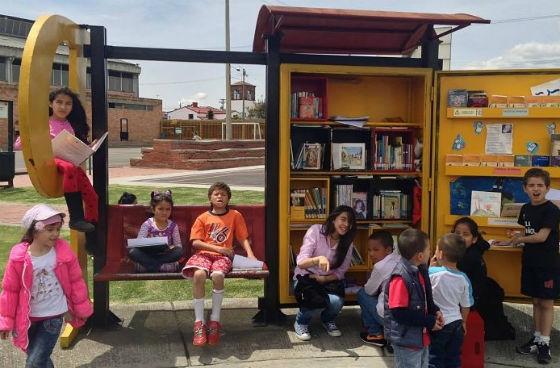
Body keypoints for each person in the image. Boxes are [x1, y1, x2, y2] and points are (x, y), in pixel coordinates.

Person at [0, 204, 93, 367]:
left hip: (53, 316)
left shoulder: (63, 253)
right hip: (28, 319)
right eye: (50, 230)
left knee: (34, 362)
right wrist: (6, 321)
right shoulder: (19, 258)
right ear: (34, 231)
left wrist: (80, 308)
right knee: (40, 360)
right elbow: (10, 291)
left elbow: (76, 282)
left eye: (57, 229)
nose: (56, 234)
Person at [14, 87, 98, 235]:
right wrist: (38, 139)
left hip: (69, 163)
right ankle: (76, 217)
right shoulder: (43, 123)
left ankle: (92, 221)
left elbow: (74, 145)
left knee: (91, 193)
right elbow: (19, 145)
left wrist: (87, 148)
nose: (63, 107)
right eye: (59, 102)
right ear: (50, 104)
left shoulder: (71, 124)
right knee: (70, 168)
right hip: (51, 162)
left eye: (68, 104)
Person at [182, 182, 257, 346]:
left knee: (217, 276)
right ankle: (199, 322)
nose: (220, 197)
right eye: (216, 194)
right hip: (204, 254)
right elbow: (195, 242)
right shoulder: (203, 218)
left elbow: (242, 237)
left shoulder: (235, 215)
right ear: (210, 198)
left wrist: (250, 255)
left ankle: (215, 321)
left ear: (228, 198)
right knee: (199, 274)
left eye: (223, 194)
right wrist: (218, 248)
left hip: (222, 258)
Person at [508, 168, 560, 364]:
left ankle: (545, 343)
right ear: (525, 188)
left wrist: (521, 238)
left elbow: (541, 236)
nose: (535, 189)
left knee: (546, 303)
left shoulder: (552, 210)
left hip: (548, 265)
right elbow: (528, 232)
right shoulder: (525, 209)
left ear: (547, 188)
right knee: (536, 301)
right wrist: (516, 239)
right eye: (531, 185)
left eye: (540, 185)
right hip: (530, 261)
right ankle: (537, 338)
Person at [292, 205, 357, 341]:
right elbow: (301, 262)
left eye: (349, 222)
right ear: (333, 219)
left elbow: (341, 272)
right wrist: (318, 259)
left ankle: (328, 320)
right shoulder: (315, 231)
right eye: (343, 219)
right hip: (306, 276)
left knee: (337, 301)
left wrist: (325, 279)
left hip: (327, 280)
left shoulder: (347, 243)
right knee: (312, 298)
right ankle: (301, 322)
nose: (346, 224)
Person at [384, 228, 443, 368]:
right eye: (429, 249)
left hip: (420, 338)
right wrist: (429, 321)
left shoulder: (420, 270)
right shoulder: (400, 278)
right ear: (420, 256)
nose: (431, 252)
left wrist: (435, 311)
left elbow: (425, 299)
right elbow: (398, 312)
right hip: (407, 341)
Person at [453, 217, 515, 341]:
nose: (460, 237)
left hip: (474, 299)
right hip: (479, 294)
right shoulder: (472, 250)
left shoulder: (469, 257)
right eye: (457, 233)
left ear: (474, 239)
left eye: (465, 234)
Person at [428, 233, 473, 368]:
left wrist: (430, 267)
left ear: (440, 254)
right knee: (453, 358)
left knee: (434, 358)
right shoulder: (464, 278)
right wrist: (464, 322)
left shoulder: (431, 273)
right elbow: (466, 305)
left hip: (438, 323)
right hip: (456, 323)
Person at [357, 230, 400, 347]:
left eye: (376, 250)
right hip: (405, 320)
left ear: (388, 250)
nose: (371, 254)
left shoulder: (380, 266)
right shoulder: (401, 259)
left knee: (362, 293)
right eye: (369, 250)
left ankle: (375, 333)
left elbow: (369, 290)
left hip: (389, 319)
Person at [129, 190, 183, 273]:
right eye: (160, 209)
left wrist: (172, 247)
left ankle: (151, 266)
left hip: (165, 255)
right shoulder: (148, 224)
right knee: (132, 251)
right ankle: (158, 265)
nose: (164, 212)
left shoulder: (173, 226)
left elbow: (178, 245)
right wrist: (150, 244)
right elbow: (139, 243)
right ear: (153, 209)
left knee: (179, 251)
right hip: (148, 254)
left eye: (168, 209)